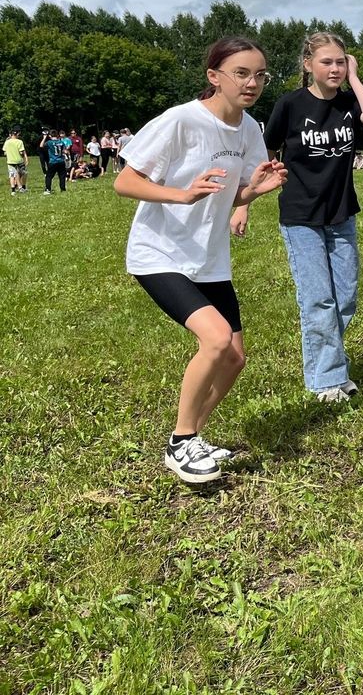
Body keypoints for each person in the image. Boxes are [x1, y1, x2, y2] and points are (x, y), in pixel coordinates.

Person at [115, 37, 287, 484]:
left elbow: (235, 191)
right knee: (214, 339)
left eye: (260, 75)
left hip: (208, 258)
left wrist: (256, 191)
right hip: (158, 254)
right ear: (214, 77)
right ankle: (180, 441)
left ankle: (192, 437)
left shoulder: (250, 129)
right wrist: (181, 193)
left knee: (233, 358)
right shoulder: (181, 121)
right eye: (242, 73)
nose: (253, 83)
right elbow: (125, 181)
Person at [247, 31, 363, 403]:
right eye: (327, 62)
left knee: (345, 298)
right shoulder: (290, 105)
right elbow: (265, 153)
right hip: (301, 215)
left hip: (341, 213)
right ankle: (327, 379)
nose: (335, 68)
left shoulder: (349, 105)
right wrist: (245, 200)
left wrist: (354, 79)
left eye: (341, 61)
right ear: (308, 65)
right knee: (319, 299)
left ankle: (332, 363)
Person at [41, 129, 69, 194]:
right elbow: (65, 151)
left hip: (53, 161)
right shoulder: (61, 142)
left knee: (48, 176)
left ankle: (48, 189)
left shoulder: (49, 142)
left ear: (50, 136)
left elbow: (41, 146)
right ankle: (63, 189)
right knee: (62, 176)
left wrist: (44, 138)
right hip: (61, 161)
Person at [4, 128, 27, 194]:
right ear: (17, 134)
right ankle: (22, 187)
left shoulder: (7, 142)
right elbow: (21, 152)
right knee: (23, 173)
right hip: (19, 161)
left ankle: (13, 191)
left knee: (12, 175)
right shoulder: (19, 142)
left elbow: (5, 152)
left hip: (10, 161)